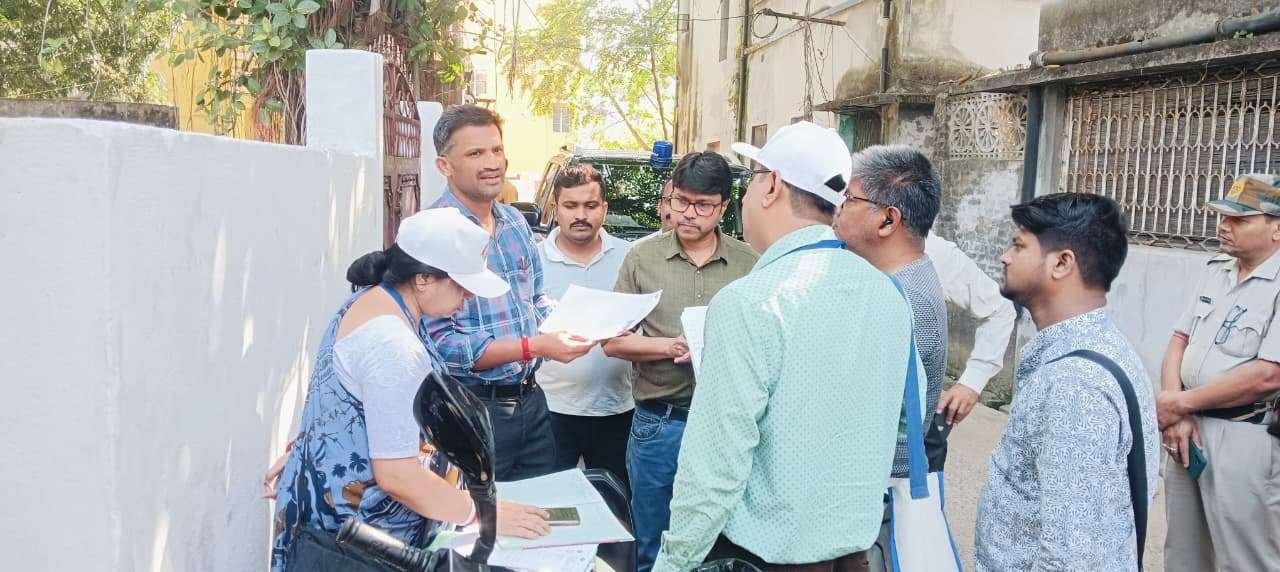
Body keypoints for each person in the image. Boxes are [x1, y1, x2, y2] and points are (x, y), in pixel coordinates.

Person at [653, 122, 918, 572]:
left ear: (771, 184)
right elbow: (905, 418)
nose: (744, 197)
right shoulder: (889, 296)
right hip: (854, 553)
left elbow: (715, 466)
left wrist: (674, 563)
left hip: (765, 559)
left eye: (751, 180)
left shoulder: (752, 301)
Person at [268, 208, 550, 571]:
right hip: (363, 539)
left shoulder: (371, 301)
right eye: (462, 286)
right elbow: (398, 475)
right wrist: (483, 514)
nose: (469, 297)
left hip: (338, 515)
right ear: (423, 280)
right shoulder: (393, 346)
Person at [974, 193, 1159, 571]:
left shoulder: (1074, 385)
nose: (1005, 256)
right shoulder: (1100, 346)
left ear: (1061, 263)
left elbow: (1072, 557)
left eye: (1018, 245)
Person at [603, 151, 758, 572]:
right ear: (669, 198)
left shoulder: (749, 264)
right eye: (680, 201)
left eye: (703, 205)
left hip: (726, 425)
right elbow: (613, 344)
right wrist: (671, 347)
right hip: (660, 423)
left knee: (720, 541)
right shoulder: (641, 257)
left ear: (724, 207)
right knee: (652, 539)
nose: (689, 214)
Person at [425, 104, 596, 481]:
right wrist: (533, 347)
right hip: (469, 407)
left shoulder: (515, 223)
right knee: (479, 528)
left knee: (538, 521)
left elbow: (535, 301)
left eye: (496, 150)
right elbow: (442, 345)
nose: (491, 163)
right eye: (475, 153)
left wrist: (586, 326)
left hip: (532, 404)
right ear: (444, 166)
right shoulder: (435, 233)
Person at [831, 145, 948, 571]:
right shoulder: (901, 281)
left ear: (887, 220)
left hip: (879, 496)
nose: (838, 209)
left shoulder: (901, 298)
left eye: (850, 199)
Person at [1159, 173, 1280, 572]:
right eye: (1222, 217)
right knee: (1183, 554)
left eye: (1239, 220)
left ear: (1276, 227)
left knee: (1246, 560)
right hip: (1186, 429)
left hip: (1245, 435)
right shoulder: (1216, 268)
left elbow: (1268, 374)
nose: (1223, 226)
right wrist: (1177, 412)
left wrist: (1177, 402)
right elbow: (1178, 338)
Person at [536, 164, 635, 486]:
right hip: (552, 410)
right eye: (571, 206)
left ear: (604, 209)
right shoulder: (533, 261)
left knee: (616, 509)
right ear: (555, 209)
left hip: (618, 409)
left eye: (590, 206)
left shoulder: (630, 256)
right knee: (553, 512)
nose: (581, 214)